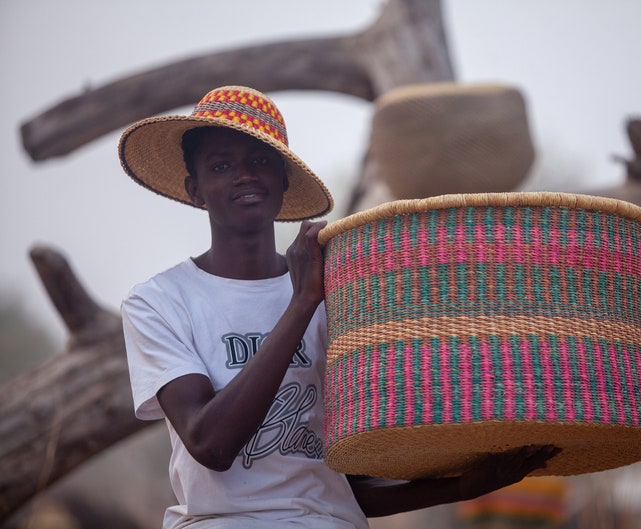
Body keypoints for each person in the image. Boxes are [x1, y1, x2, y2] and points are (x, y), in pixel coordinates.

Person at [118, 85, 558, 529]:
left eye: (261, 161)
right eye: (221, 165)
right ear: (195, 189)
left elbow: (338, 487)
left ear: (283, 180)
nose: (244, 175)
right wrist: (302, 303)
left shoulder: (343, 295)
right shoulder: (159, 302)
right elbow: (210, 444)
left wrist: (458, 488)